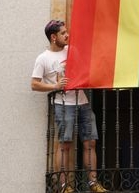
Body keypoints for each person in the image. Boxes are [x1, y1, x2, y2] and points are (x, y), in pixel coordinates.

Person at [32, 19, 108, 193]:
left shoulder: (72, 51)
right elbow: (34, 84)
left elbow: (83, 69)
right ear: (53, 37)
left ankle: (92, 183)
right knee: (64, 144)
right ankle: (64, 186)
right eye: (63, 33)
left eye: (67, 32)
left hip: (82, 101)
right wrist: (54, 86)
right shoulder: (43, 58)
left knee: (90, 142)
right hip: (63, 104)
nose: (67, 35)